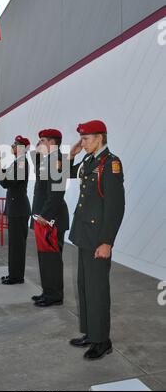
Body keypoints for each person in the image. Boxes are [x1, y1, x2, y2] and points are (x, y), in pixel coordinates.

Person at [68, 120, 125, 360]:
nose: (83, 142)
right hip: (84, 235)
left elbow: (115, 207)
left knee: (98, 290)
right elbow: (64, 174)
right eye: (82, 138)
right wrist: (71, 154)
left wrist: (107, 242)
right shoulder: (90, 161)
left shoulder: (110, 164)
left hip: (98, 238)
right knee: (84, 287)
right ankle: (91, 333)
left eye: (87, 139)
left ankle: (103, 341)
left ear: (100, 138)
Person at [30, 129, 69, 307]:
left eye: (42, 140)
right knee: (44, 258)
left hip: (50, 218)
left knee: (52, 259)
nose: (39, 143)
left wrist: (44, 216)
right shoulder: (47, 160)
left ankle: (54, 295)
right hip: (42, 218)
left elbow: (56, 194)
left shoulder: (57, 161)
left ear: (52, 143)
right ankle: (47, 291)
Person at [0, 136, 31, 284]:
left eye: (16, 144)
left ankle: (17, 276)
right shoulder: (17, 163)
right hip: (16, 208)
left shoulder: (21, 163)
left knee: (17, 246)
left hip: (19, 209)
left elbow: (6, 182)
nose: (13, 145)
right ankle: (13, 274)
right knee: (14, 245)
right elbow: (4, 174)